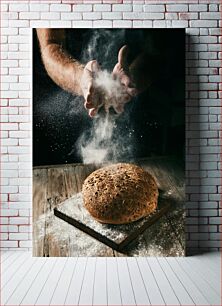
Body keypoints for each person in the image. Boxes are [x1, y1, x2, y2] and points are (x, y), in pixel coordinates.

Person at [36, 29, 153, 117]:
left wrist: (132, 79)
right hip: (76, 99)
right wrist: (81, 79)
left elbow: (160, 48)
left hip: (144, 103)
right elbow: (50, 45)